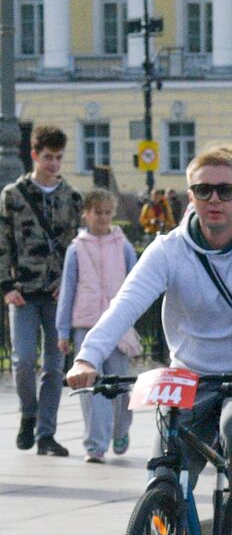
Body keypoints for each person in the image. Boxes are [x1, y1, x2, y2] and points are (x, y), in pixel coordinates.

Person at [66, 145, 232, 535]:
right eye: (203, 190)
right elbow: (125, 304)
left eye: (225, 190)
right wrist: (88, 357)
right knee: (164, 472)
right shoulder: (169, 250)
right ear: (189, 196)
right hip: (189, 376)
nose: (214, 199)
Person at [1, 124, 82, 456]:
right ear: (34, 155)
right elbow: (2, 242)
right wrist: (6, 285)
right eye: (48, 157)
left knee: (55, 366)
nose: (53, 164)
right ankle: (28, 413)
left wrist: (69, 284)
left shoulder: (71, 198)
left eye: (59, 158)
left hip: (56, 293)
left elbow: (76, 247)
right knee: (22, 360)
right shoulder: (13, 196)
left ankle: (46, 433)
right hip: (22, 290)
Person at [56, 189, 139, 463]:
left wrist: (132, 321)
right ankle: (95, 444)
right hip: (86, 323)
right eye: (97, 212)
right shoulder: (76, 248)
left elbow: (137, 285)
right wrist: (63, 330)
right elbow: (67, 290)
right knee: (92, 389)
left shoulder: (123, 246)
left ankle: (121, 430)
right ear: (86, 214)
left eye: (107, 213)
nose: (102, 218)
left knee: (120, 385)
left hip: (117, 325)